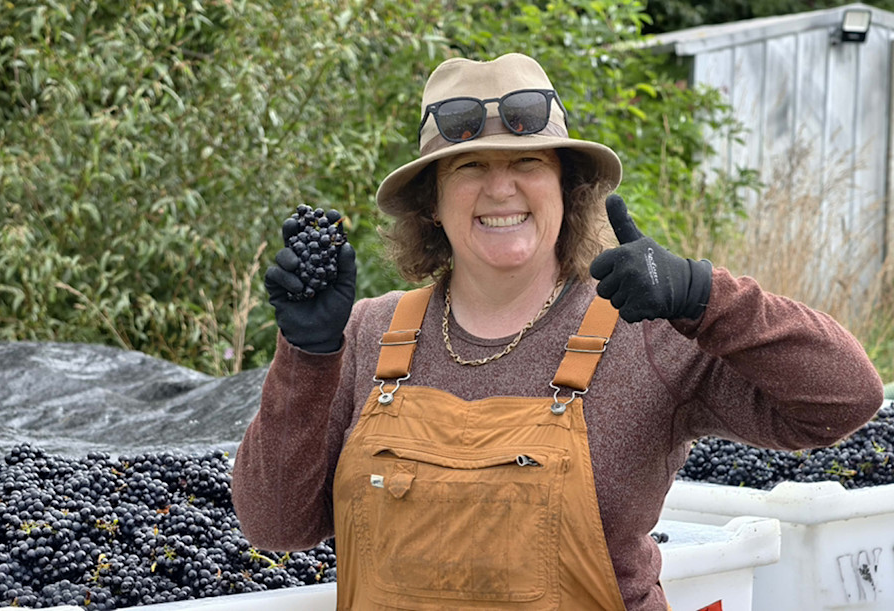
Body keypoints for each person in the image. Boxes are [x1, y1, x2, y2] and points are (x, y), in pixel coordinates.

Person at [231, 53, 884, 610]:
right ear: (431, 200)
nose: (501, 187)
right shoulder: (369, 333)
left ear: (567, 187)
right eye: (469, 167)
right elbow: (275, 523)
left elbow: (843, 398)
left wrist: (706, 294)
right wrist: (307, 355)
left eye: (529, 163)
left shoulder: (645, 334)